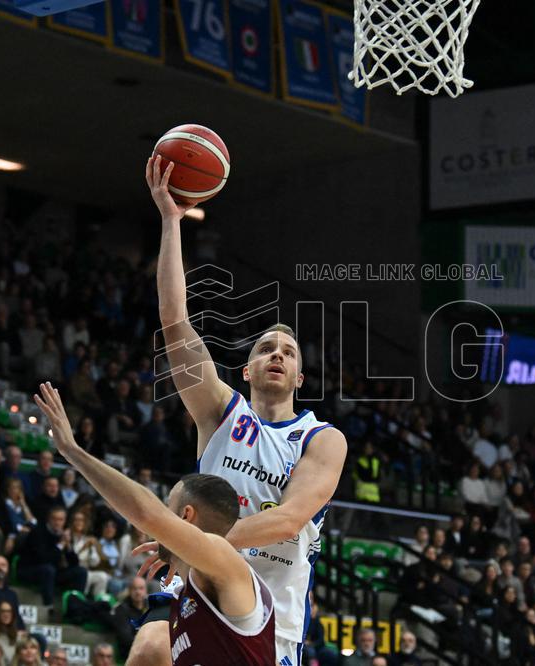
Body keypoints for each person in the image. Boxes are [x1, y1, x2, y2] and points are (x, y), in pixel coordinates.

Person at [130, 157, 348, 666]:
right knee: (147, 648)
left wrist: (186, 540)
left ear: (299, 379)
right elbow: (174, 321)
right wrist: (170, 220)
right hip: (198, 594)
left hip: (271, 623)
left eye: (288, 353)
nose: (277, 354)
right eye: (265, 348)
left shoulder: (322, 439)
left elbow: (290, 519)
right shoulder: (219, 413)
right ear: (246, 371)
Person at [33, 381, 277, 665]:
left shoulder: (225, 559)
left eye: (168, 508)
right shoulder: (187, 593)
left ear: (185, 516)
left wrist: (73, 451)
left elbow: (147, 514)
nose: (163, 516)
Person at [15, 505, 88, 609]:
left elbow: (74, 563)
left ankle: (76, 606)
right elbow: (43, 559)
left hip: (52, 572)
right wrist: (60, 545)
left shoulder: (63, 535)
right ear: (49, 519)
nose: (57, 522)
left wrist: (68, 547)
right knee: (48, 570)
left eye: (61, 519)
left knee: (81, 572)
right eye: (55, 519)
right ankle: (48, 606)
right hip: (30, 569)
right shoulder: (38, 532)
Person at [112, 576, 149, 659]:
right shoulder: (121, 609)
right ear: (129, 591)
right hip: (130, 653)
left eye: (141, 588)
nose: (138, 592)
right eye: (134, 589)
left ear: (146, 591)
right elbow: (126, 639)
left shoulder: (150, 608)